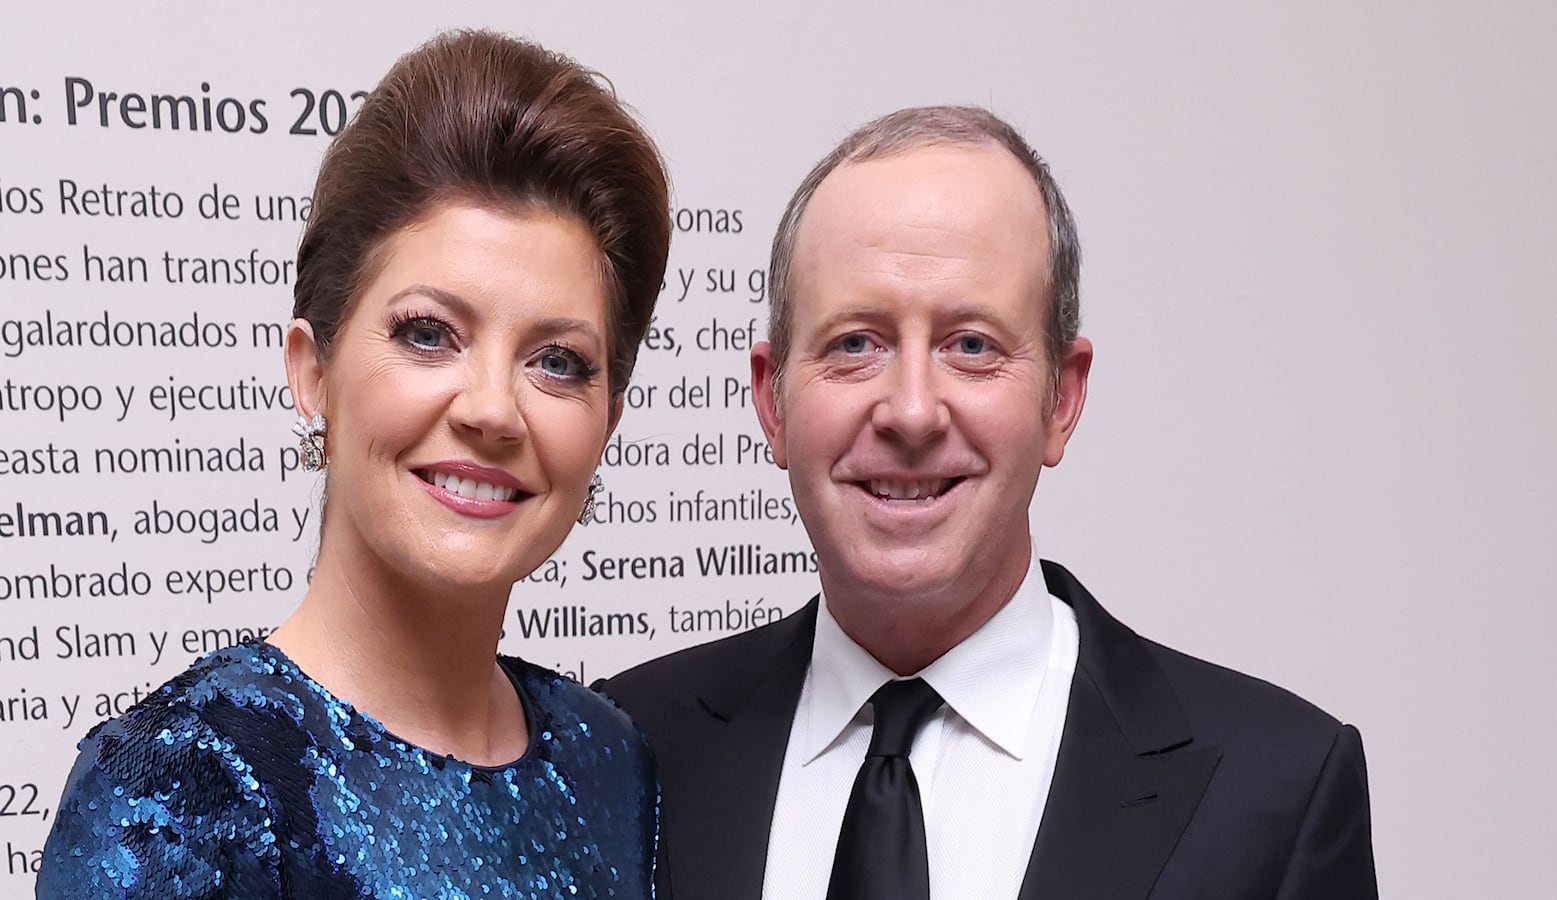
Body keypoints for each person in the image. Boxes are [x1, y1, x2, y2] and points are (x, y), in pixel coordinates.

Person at [597, 106, 1378, 899]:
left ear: (1061, 399)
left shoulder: (1278, 792)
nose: (910, 411)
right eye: (854, 344)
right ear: (773, 404)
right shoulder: (625, 750)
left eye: (971, 346)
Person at [39, 30, 671, 898]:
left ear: (607, 421)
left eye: (557, 360)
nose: (492, 407)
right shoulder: (178, 790)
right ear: (314, 371)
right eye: (428, 334)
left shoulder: (611, 762)